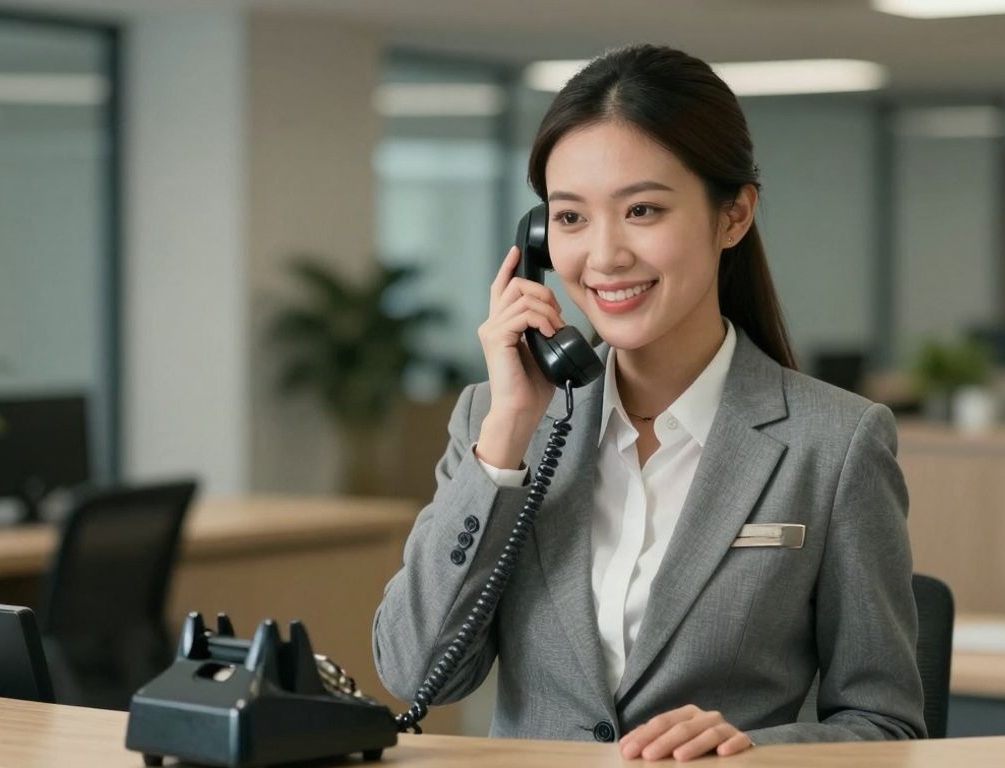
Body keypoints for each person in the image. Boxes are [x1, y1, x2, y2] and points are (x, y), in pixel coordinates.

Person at [373, 44, 925, 761]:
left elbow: (886, 726)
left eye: (642, 210)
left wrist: (754, 748)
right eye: (570, 218)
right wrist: (508, 434)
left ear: (734, 216)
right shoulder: (497, 424)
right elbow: (411, 673)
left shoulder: (836, 443)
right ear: (538, 240)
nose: (604, 256)